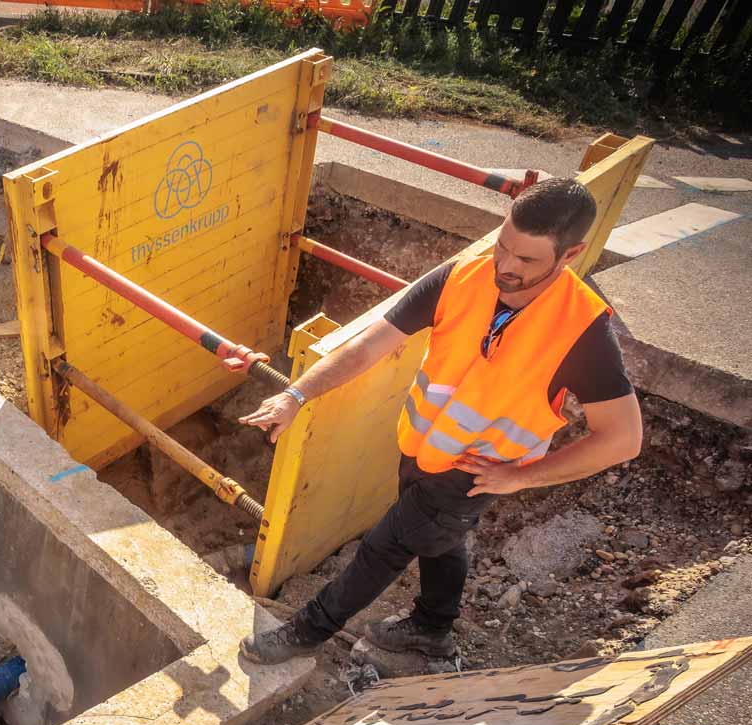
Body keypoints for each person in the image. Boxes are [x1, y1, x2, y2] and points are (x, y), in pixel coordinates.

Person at [239, 178, 643, 665]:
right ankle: (432, 628)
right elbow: (369, 346)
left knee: (383, 550)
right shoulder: (461, 278)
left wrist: (520, 477)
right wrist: (297, 394)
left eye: (528, 260)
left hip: (473, 473)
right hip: (419, 446)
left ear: (570, 255)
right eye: (503, 247)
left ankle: (307, 631)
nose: (507, 267)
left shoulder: (583, 331)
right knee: (441, 540)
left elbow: (622, 438)